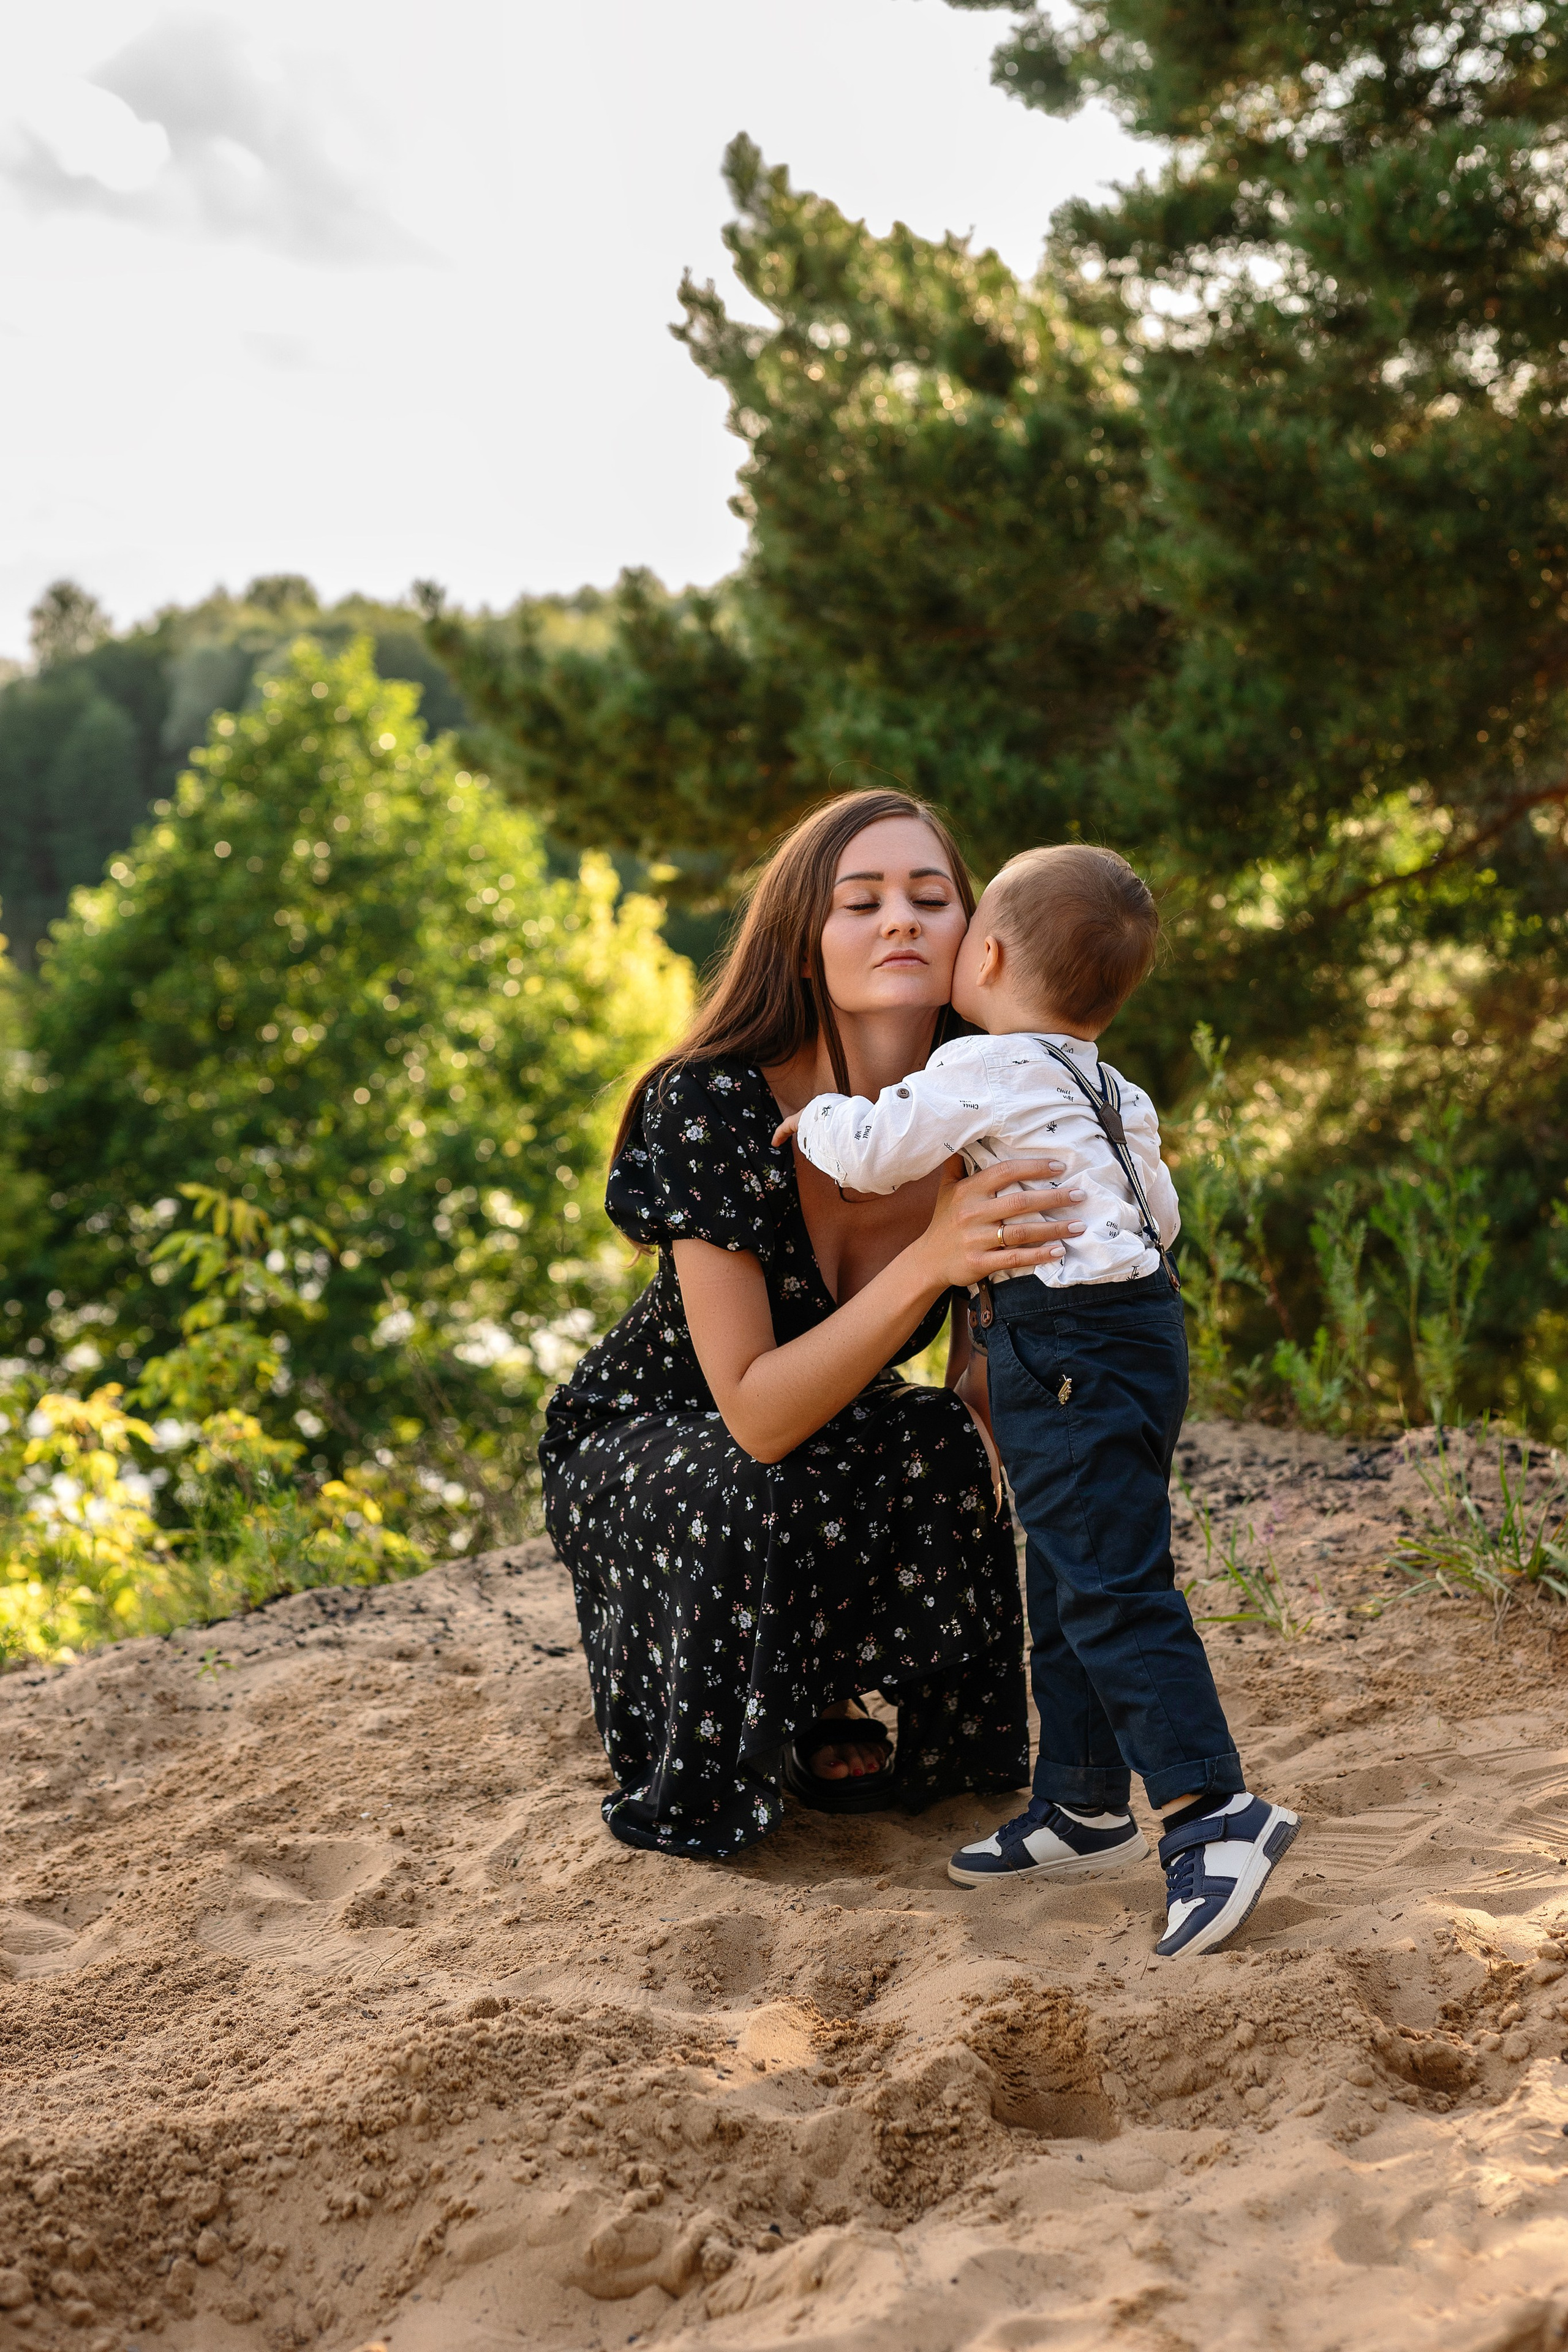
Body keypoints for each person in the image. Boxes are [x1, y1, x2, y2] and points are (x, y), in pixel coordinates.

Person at [539, 791, 1086, 1859]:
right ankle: (788, 1713)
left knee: (938, 1441)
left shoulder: (1000, 1109)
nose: (901, 920)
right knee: (764, 1476)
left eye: (932, 898)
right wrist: (935, 1252)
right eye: (862, 901)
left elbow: (981, 1403)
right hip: (655, 1437)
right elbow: (751, 1415)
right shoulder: (713, 1105)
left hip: (829, 1427)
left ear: (976, 943)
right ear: (802, 945)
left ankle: (924, 1745)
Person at [779, 843, 1301, 1959]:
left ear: (994, 954)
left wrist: (817, 1120)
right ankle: (1080, 1799)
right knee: (1068, 1561)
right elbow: (1157, 1216)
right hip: (1145, 1328)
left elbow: (874, 1157)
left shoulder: (981, 1067)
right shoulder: (1117, 1085)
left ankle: (1214, 1816)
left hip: (1060, 1340)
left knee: (1111, 1582)